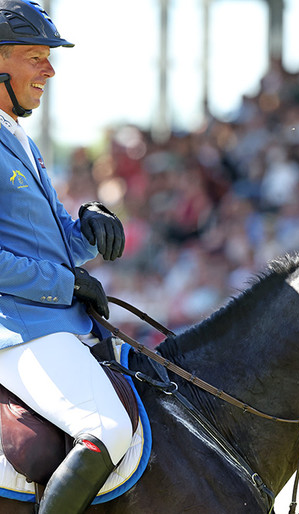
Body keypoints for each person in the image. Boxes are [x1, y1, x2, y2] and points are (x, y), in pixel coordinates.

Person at [0, 1, 132, 512]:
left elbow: (52, 238)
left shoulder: (18, 138)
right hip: (16, 328)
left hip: (55, 321)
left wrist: (90, 226)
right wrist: (67, 283)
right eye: (37, 56)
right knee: (107, 430)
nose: (50, 70)